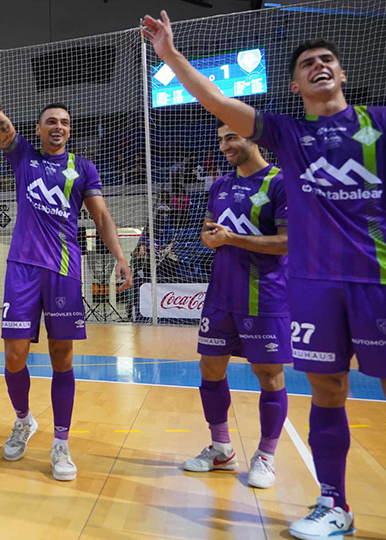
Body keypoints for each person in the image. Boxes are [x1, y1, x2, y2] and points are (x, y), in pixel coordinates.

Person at [144, 12, 385, 538]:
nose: (319, 66)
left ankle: (274, 458)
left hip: (372, 282)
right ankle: (333, 504)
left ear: (342, 75)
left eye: (328, 60)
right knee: (327, 389)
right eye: (307, 63)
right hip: (316, 286)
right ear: (294, 84)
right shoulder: (288, 132)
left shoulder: (378, 124)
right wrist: (170, 56)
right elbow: (218, 102)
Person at [0, 22, 132, 482]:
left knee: (62, 356)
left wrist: (120, 255)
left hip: (64, 269)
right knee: (13, 356)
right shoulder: (22, 155)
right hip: (23, 267)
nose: (59, 126)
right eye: (51, 121)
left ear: (69, 130)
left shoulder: (83, 168)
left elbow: (102, 218)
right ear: (39, 129)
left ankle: (61, 443)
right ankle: (24, 420)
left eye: (64, 122)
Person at [183, 119, 290, 489]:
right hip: (220, 295)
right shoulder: (220, 185)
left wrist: (233, 239)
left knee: (268, 375)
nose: (225, 145)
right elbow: (209, 230)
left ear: (253, 137)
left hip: (264, 296)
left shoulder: (280, 182)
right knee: (209, 369)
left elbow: (287, 242)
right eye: (221, 139)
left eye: (232, 137)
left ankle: (266, 455)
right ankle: (221, 448)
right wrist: (212, 239)